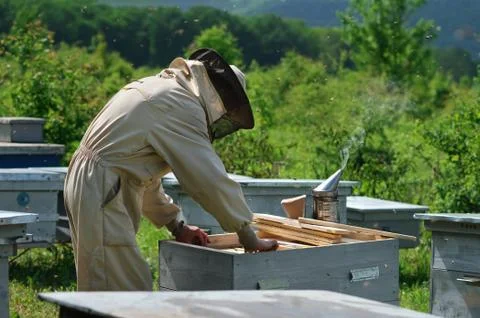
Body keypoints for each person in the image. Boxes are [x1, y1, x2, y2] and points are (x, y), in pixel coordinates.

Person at [64, 48, 278, 291]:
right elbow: (209, 180)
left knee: (103, 285)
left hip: (95, 181)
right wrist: (248, 236)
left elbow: (142, 175)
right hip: (100, 185)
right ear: (218, 93)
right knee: (121, 292)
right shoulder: (180, 104)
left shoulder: (166, 91)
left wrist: (178, 226)